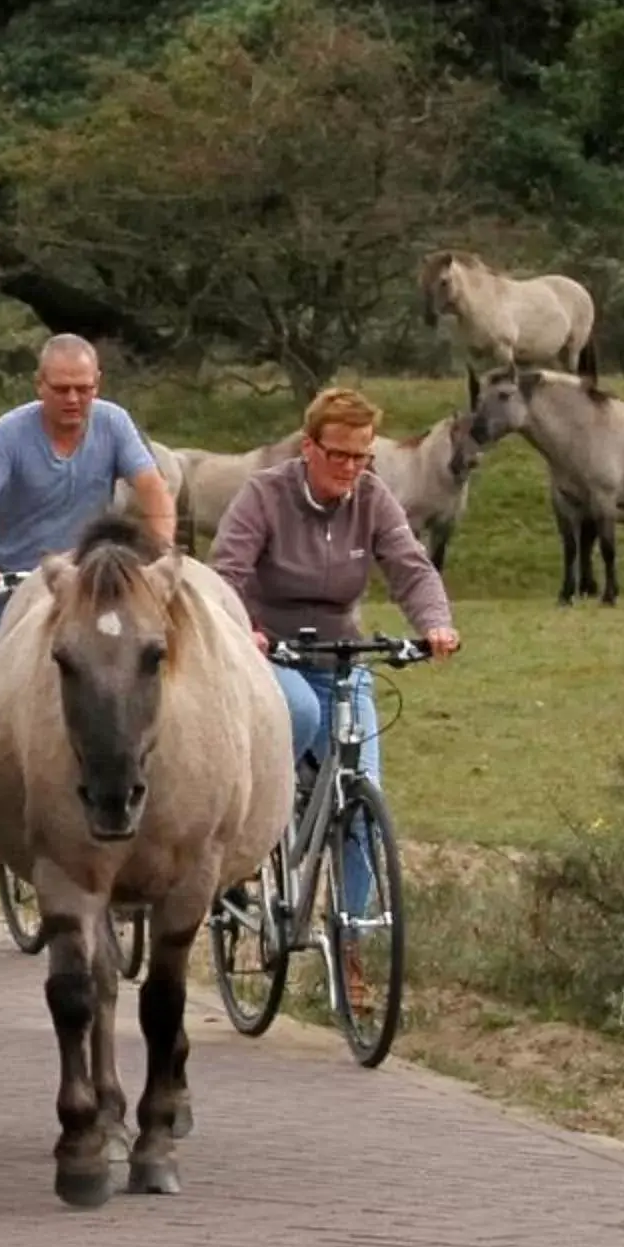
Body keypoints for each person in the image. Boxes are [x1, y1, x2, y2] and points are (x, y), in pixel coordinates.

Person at [211, 385, 461, 922]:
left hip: (341, 658)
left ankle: (352, 940)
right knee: (296, 711)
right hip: (271, 654)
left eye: (361, 456)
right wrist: (246, 630)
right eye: (339, 454)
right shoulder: (264, 495)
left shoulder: (372, 499)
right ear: (309, 448)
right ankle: (253, 842)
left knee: (364, 803)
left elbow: (410, 567)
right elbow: (226, 574)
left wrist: (436, 624)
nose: (350, 467)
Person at [0, 333, 177, 629]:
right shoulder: (7, 434)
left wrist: (160, 553)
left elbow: (153, 489)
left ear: (97, 383)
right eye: (61, 389)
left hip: (87, 579)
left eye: (83, 389)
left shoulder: (115, 423)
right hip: (15, 582)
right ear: (40, 384)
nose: (73, 399)